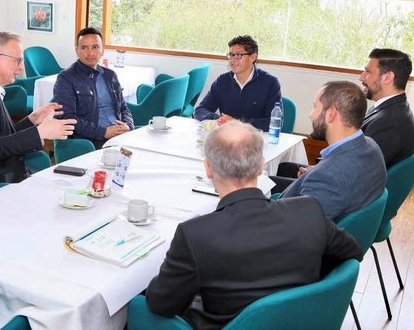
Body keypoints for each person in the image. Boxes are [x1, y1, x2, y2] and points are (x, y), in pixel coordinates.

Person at [146, 121, 363, 330]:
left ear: (208, 169)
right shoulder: (309, 211)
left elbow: (160, 303)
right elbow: (352, 251)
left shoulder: (195, 235)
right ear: (261, 165)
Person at [0, 32, 77, 184]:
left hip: (3, 171)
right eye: (18, 60)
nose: (22, 67)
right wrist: (40, 132)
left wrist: (31, 121)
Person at [278, 81, 386, 220]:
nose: (311, 115)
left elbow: (296, 230)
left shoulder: (328, 177)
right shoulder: (371, 146)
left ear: (331, 114)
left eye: (315, 107)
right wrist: (319, 169)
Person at [53, 27, 133, 148]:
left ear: (102, 50)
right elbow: (68, 118)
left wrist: (128, 125)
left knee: (146, 153)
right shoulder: (66, 78)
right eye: (84, 47)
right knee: (125, 160)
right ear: (77, 50)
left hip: (119, 135)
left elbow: (123, 107)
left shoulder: (110, 75)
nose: (90, 53)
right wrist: (103, 132)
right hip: (91, 140)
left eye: (95, 47)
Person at [193, 35, 281, 131]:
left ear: (253, 57)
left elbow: (274, 122)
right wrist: (220, 120)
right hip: (227, 137)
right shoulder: (222, 81)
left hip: (256, 138)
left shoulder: (270, 83)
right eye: (231, 55)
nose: (232, 60)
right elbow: (200, 111)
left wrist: (238, 123)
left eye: (238, 55)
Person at [360, 48, 414, 167]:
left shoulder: (389, 122)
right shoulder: (395, 108)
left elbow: (360, 170)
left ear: (387, 78)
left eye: (368, 71)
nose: (361, 77)